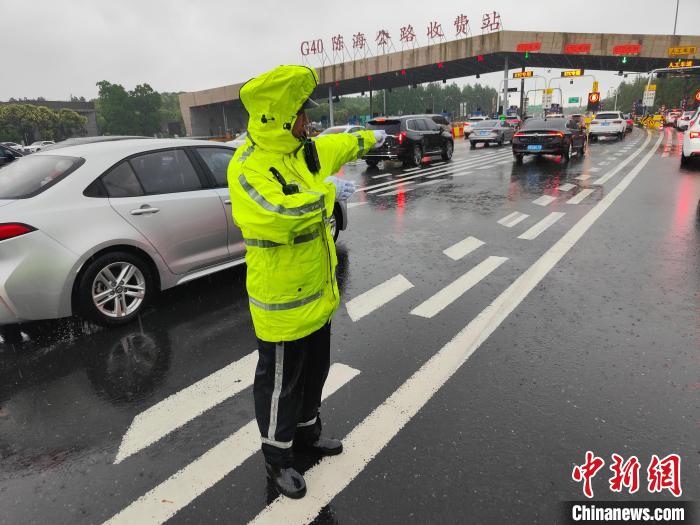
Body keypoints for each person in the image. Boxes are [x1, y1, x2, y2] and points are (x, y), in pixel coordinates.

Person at [227, 65, 386, 499]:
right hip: (280, 304)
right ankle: (278, 461)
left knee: (315, 373)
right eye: (301, 114)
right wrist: (329, 195)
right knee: (280, 386)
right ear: (280, 117)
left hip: (316, 295)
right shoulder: (248, 166)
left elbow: (337, 144)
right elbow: (277, 213)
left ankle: (308, 435)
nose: (307, 122)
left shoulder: (302, 152)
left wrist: (372, 138)